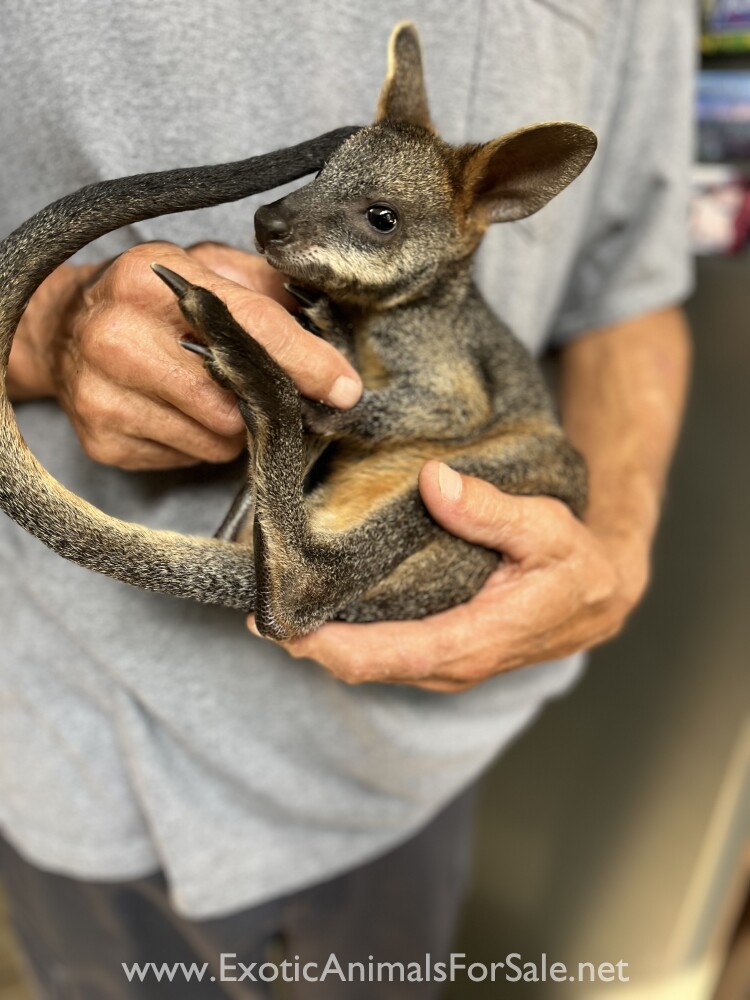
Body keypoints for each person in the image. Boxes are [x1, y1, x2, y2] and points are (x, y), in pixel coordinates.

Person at [0, 2, 694, 997]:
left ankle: (293, 533)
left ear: (472, 217)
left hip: (401, 768)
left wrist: (617, 561)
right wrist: (46, 325)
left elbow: (630, 290)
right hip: (76, 727)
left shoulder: (437, 327)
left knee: (500, 467)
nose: (289, 221)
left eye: (374, 220)